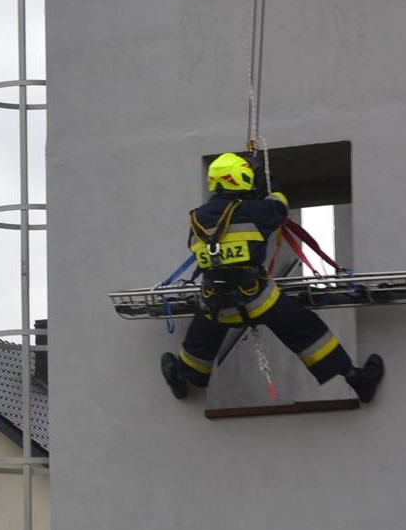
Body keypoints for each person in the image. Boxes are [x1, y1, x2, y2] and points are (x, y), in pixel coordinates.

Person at [160, 152, 385, 404]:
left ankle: (182, 378)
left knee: (199, 341)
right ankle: (357, 379)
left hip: (215, 303)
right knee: (308, 331)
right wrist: (270, 185)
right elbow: (279, 208)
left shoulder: (196, 219)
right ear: (242, 178)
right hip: (258, 300)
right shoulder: (254, 211)